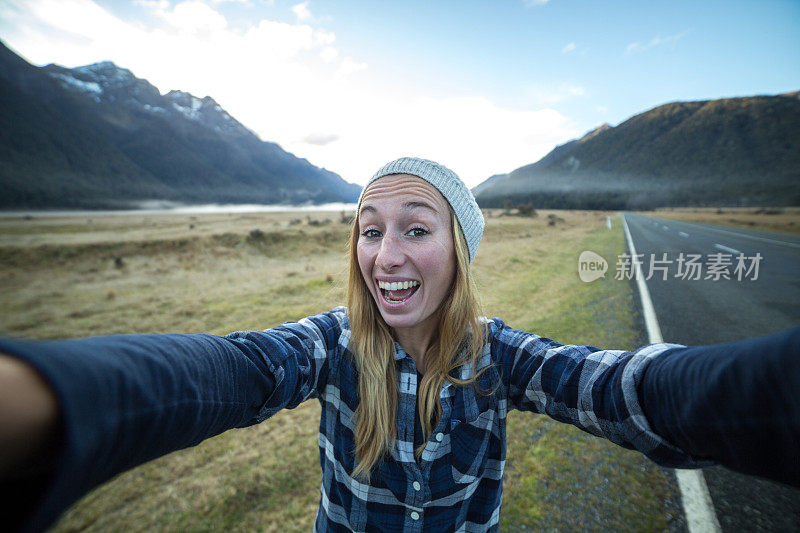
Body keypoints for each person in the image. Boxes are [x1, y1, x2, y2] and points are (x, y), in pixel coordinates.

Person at [0, 157, 798, 532]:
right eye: (370, 231)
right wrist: (53, 396)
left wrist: (766, 392)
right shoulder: (331, 346)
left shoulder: (501, 357)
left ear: (459, 249)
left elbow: (620, 388)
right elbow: (234, 373)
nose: (386, 257)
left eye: (416, 229)